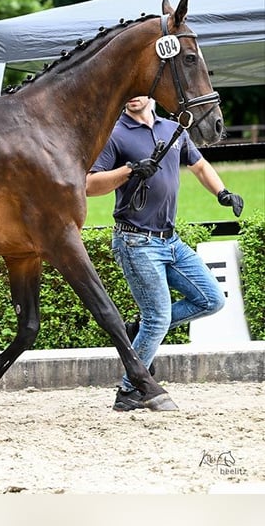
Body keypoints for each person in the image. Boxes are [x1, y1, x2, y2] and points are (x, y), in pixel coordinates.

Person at [86, 96, 244, 412]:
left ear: (152, 95)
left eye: (140, 90)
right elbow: (89, 184)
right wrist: (129, 171)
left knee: (211, 299)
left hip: (171, 241)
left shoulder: (173, 129)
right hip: (136, 242)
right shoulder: (115, 134)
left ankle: (139, 330)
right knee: (157, 318)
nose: (134, 96)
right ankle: (130, 391)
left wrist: (222, 192)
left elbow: (198, 165)